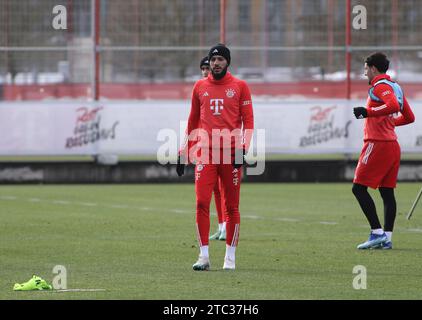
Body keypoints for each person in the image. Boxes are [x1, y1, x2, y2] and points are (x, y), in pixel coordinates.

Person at [177, 44, 254, 270]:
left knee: (231, 207)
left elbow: (248, 121)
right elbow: (192, 122)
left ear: (227, 62)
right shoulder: (199, 86)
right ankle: (204, 257)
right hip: (206, 154)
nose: (216, 63)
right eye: (213, 59)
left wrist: (243, 148)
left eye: (220, 59)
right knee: (201, 202)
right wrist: (184, 153)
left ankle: (230, 258)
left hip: (230, 154)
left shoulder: (240, 86)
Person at [352, 52, 415, 250]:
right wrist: (389, 123)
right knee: (387, 192)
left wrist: (368, 112)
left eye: (365, 69)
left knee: (358, 188)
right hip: (392, 146)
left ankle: (376, 232)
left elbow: (393, 105)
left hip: (376, 144)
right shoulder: (395, 86)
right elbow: (409, 117)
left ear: (373, 68)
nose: (364, 74)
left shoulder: (379, 86)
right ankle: (386, 238)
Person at [199, 55, 227, 241]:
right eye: (203, 68)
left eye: (206, 68)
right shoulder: (201, 89)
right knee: (215, 190)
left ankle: (227, 224)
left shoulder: (222, 90)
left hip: (223, 146)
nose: (205, 72)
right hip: (206, 146)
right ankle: (221, 225)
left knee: (224, 189)